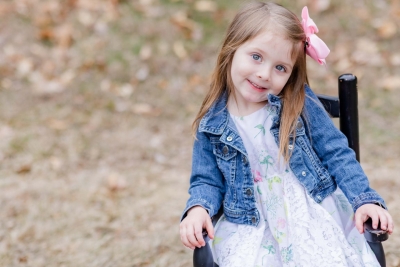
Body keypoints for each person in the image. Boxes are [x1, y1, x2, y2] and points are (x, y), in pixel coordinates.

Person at [179, 2, 394, 266]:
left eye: (280, 67)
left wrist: (365, 200)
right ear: (232, 49)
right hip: (251, 220)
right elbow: (206, 181)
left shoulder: (297, 102)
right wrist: (198, 208)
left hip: (309, 211)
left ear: (291, 73)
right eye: (256, 57)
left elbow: (337, 153)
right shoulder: (212, 122)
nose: (264, 74)